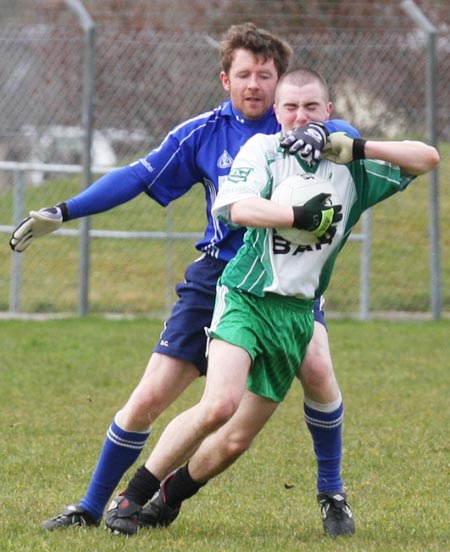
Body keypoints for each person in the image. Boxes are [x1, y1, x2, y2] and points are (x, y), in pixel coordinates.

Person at [9, 25, 357, 535]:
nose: (255, 84)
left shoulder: (313, 128)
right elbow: (138, 175)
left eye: (265, 74)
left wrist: (333, 135)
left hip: (288, 282)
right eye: (244, 74)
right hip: (218, 279)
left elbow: (359, 143)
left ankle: (332, 495)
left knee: (317, 372)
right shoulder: (204, 132)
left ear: (282, 81)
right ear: (225, 79)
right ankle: (89, 506)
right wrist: (64, 210)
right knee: (150, 396)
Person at [102, 67, 439, 538]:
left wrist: (359, 147)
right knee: (219, 404)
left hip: (298, 315)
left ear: (328, 112)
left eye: (311, 108)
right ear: (278, 114)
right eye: (291, 107)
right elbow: (239, 207)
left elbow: (427, 158)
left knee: (237, 439)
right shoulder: (263, 149)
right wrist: (298, 215)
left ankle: (168, 500)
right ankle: (130, 497)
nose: (300, 117)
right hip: (246, 296)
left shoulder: (352, 167)